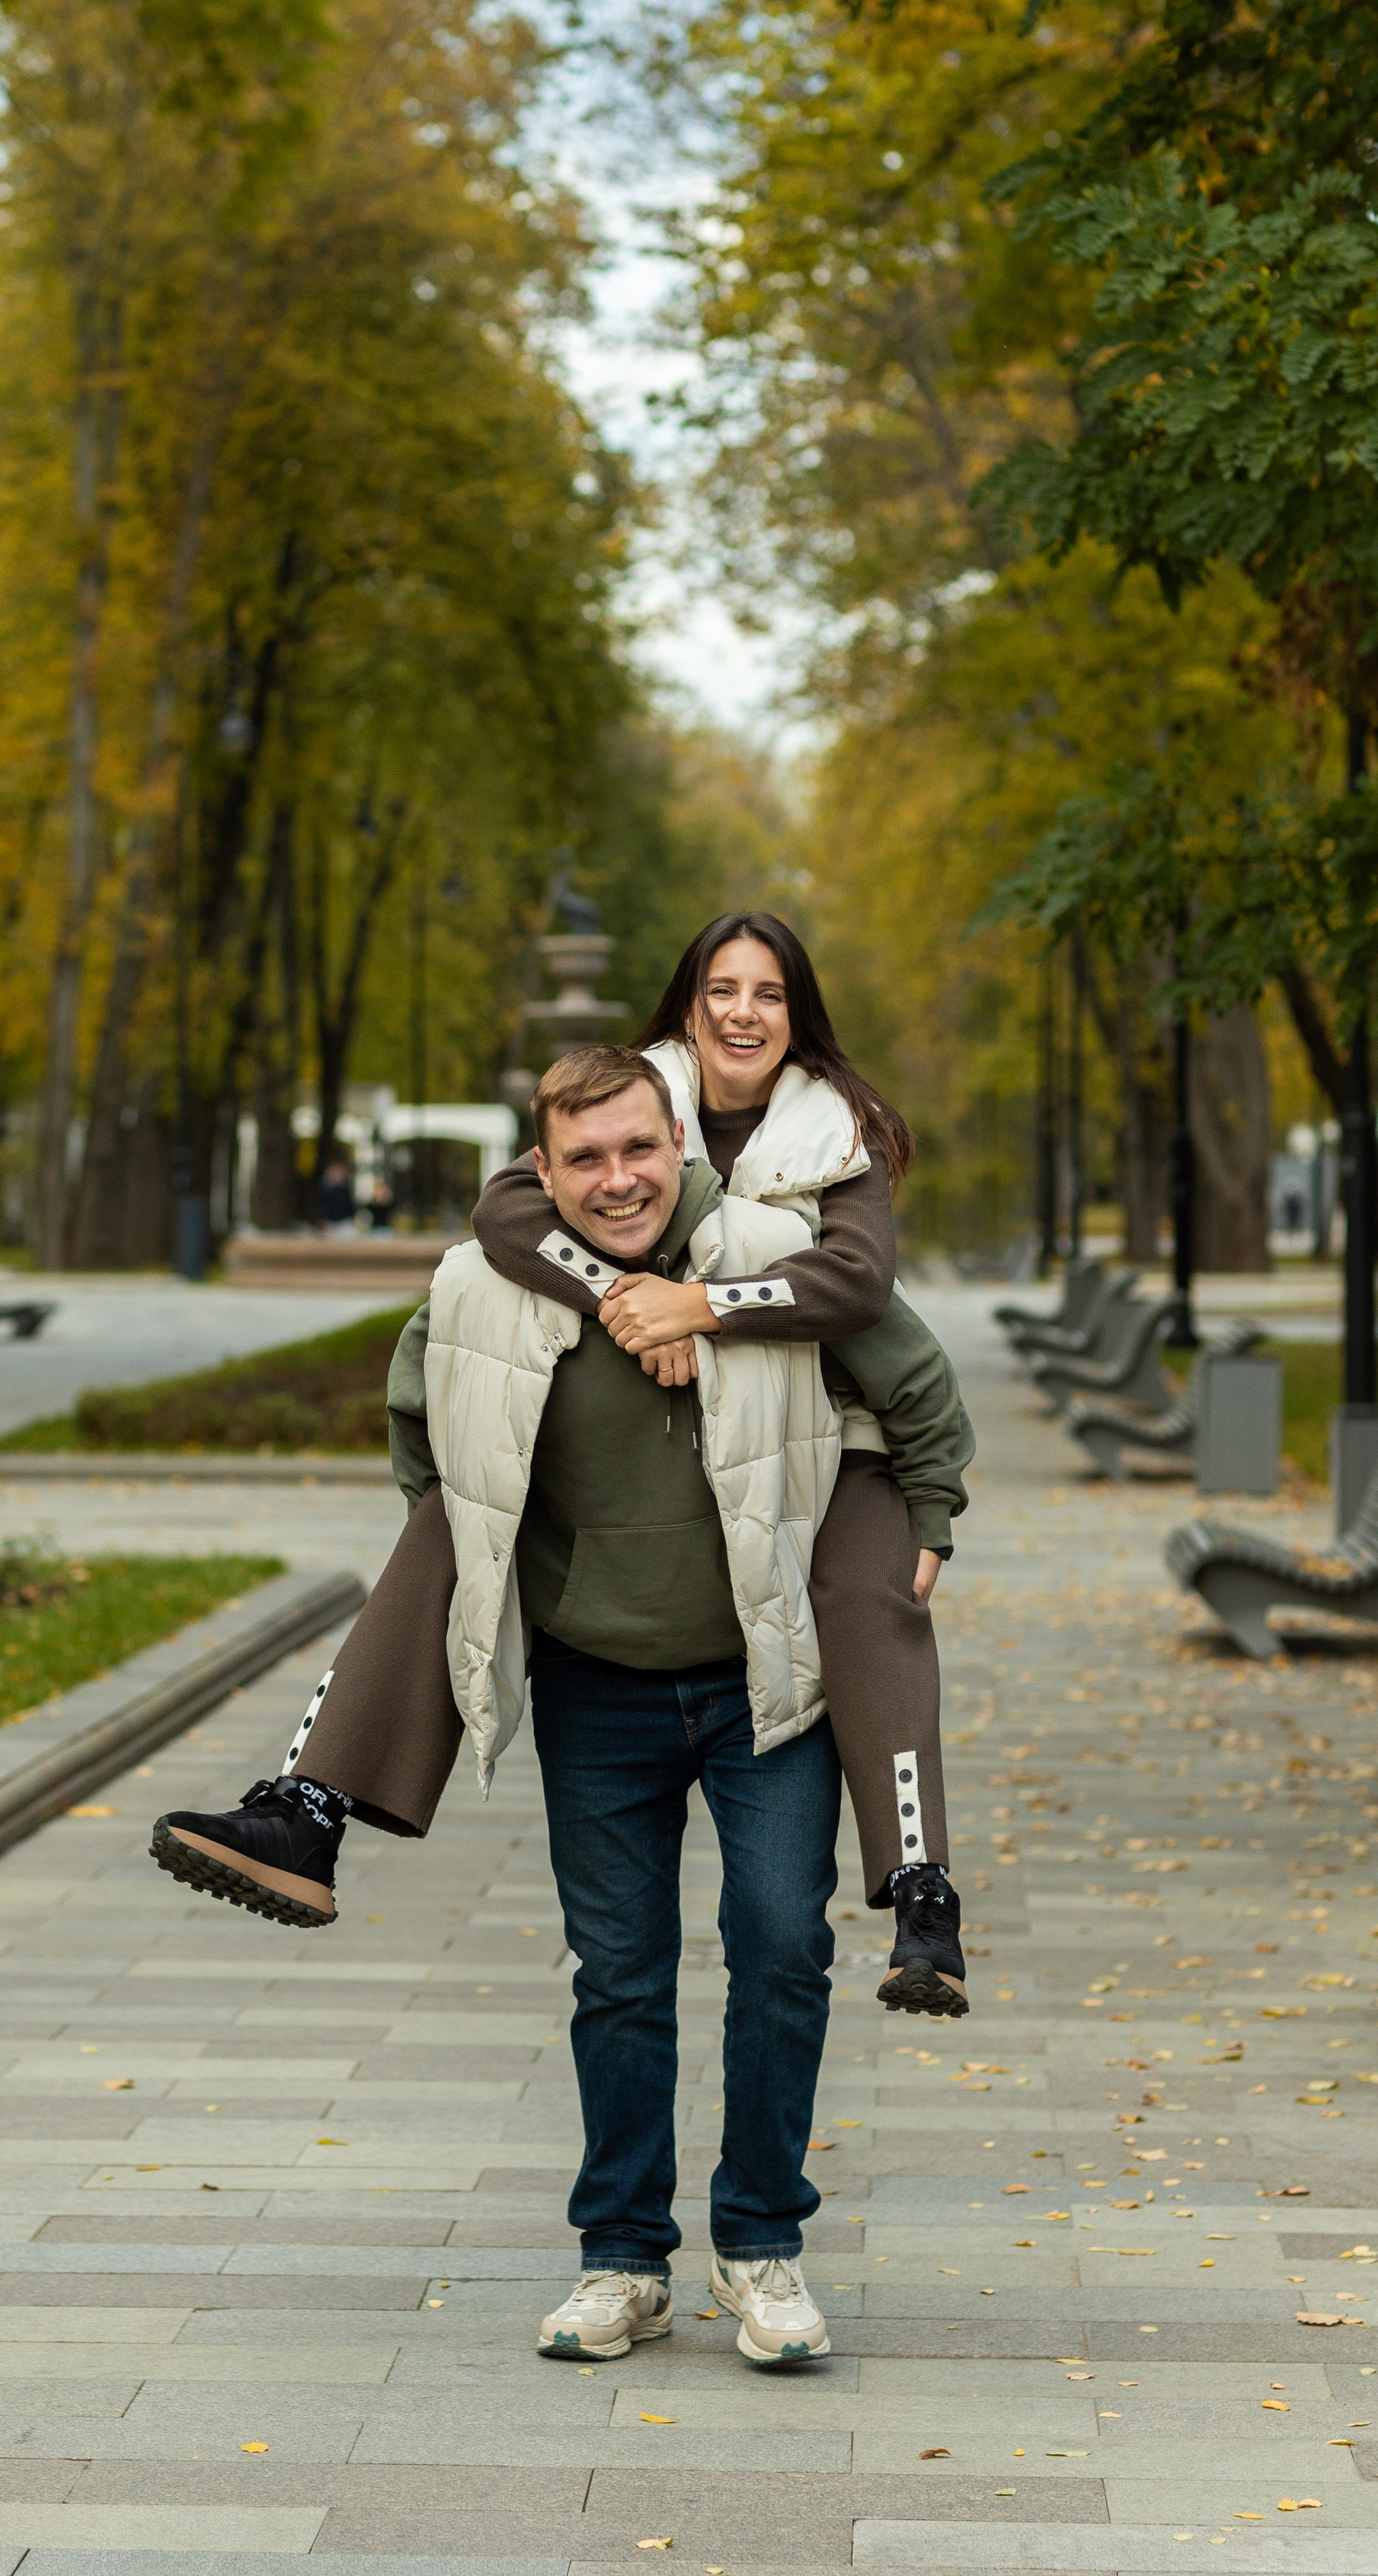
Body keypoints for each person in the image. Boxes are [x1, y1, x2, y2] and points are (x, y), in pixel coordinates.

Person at [156, 1032, 964, 2370]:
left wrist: (925, 1517)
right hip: (598, 1684)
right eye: (586, 1158)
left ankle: (762, 2248)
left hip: (767, 1682)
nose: (619, 1177)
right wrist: (498, 1553)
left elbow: (917, 1382)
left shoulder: (769, 1255)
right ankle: (623, 2262)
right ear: (544, 1170)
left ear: (678, 1145)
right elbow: (420, 1422)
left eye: (641, 1147)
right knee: (620, 1976)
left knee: (780, 1949)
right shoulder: (484, 1284)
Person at [155, 914, 972, 2024]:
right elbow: (503, 1212)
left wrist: (700, 1308)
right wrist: (628, 1302)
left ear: (798, 1016)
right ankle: (307, 1807)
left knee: (874, 1597)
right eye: (721, 989)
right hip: (647, 1421)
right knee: (461, 1513)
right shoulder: (631, 1096)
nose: (742, 1011)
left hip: (822, 1415)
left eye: (769, 993)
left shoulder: (837, 1135)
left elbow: (866, 1295)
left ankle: (921, 1882)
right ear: (686, 1007)